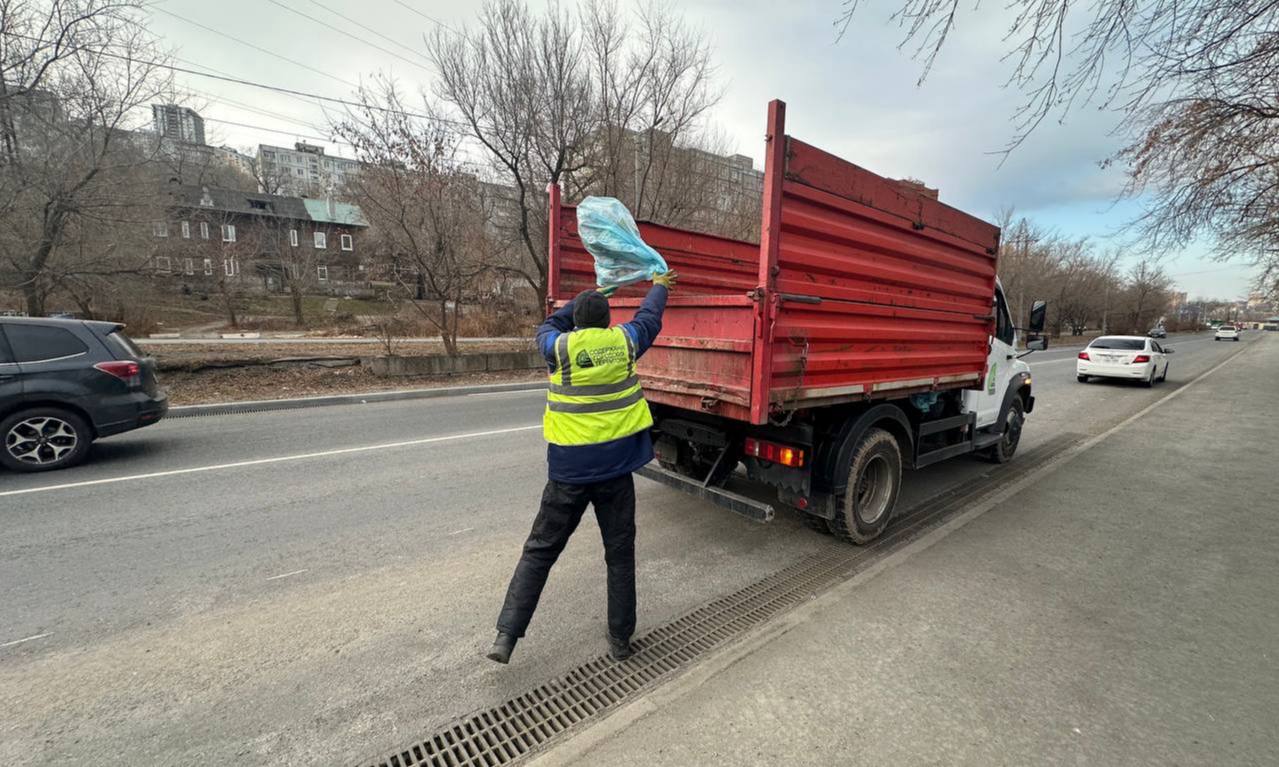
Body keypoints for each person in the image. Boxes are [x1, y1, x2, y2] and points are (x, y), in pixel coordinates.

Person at [487, 270, 678, 665]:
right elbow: (649, 318)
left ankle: (506, 636)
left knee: (539, 552)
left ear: (576, 321)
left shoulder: (558, 349)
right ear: (608, 320)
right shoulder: (624, 343)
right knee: (620, 556)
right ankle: (621, 641)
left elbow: (547, 325)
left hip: (568, 475)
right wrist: (660, 285)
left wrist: (583, 298)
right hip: (615, 472)